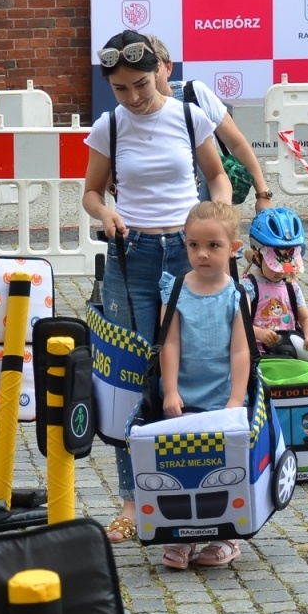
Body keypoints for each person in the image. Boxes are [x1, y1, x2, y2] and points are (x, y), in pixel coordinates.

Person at [81, 29, 232, 543]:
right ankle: (131, 498)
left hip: (189, 255)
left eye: (141, 84)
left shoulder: (189, 115)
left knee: (197, 363)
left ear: (161, 72)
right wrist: (107, 211)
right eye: (121, 89)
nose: (134, 98)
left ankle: (199, 487)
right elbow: (90, 193)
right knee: (132, 377)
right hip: (133, 256)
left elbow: (217, 178)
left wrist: (218, 220)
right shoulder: (110, 127)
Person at [154, 200, 251, 569]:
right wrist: (171, 389)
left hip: (221, 397)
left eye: (214, 246)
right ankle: (178, 535)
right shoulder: (176, 289)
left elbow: (241, 350)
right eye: (194, 245)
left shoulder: (236, 295)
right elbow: (170, 341)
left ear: (233, 249)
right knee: (178, 466)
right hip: (183, 398)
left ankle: (225, 533)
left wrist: (236, 399)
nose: (203, 254)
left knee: (222, 467)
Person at [145, 35, 275, 210]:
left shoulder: (194, 94)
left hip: (209, 212)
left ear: (168, 67)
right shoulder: (130, 113)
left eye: (154, 68)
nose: (149, 77)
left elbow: (236, 143)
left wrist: (262, 194)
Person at [242, 207, 308, 361]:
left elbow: (305, 318)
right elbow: (239, 323)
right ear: (257, 256)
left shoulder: (292, 288)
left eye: (286, 267)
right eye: (275, 266)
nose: (281, 272)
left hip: (289, 354)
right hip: (257, 356)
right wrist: (259, 333)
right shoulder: (248, 287)